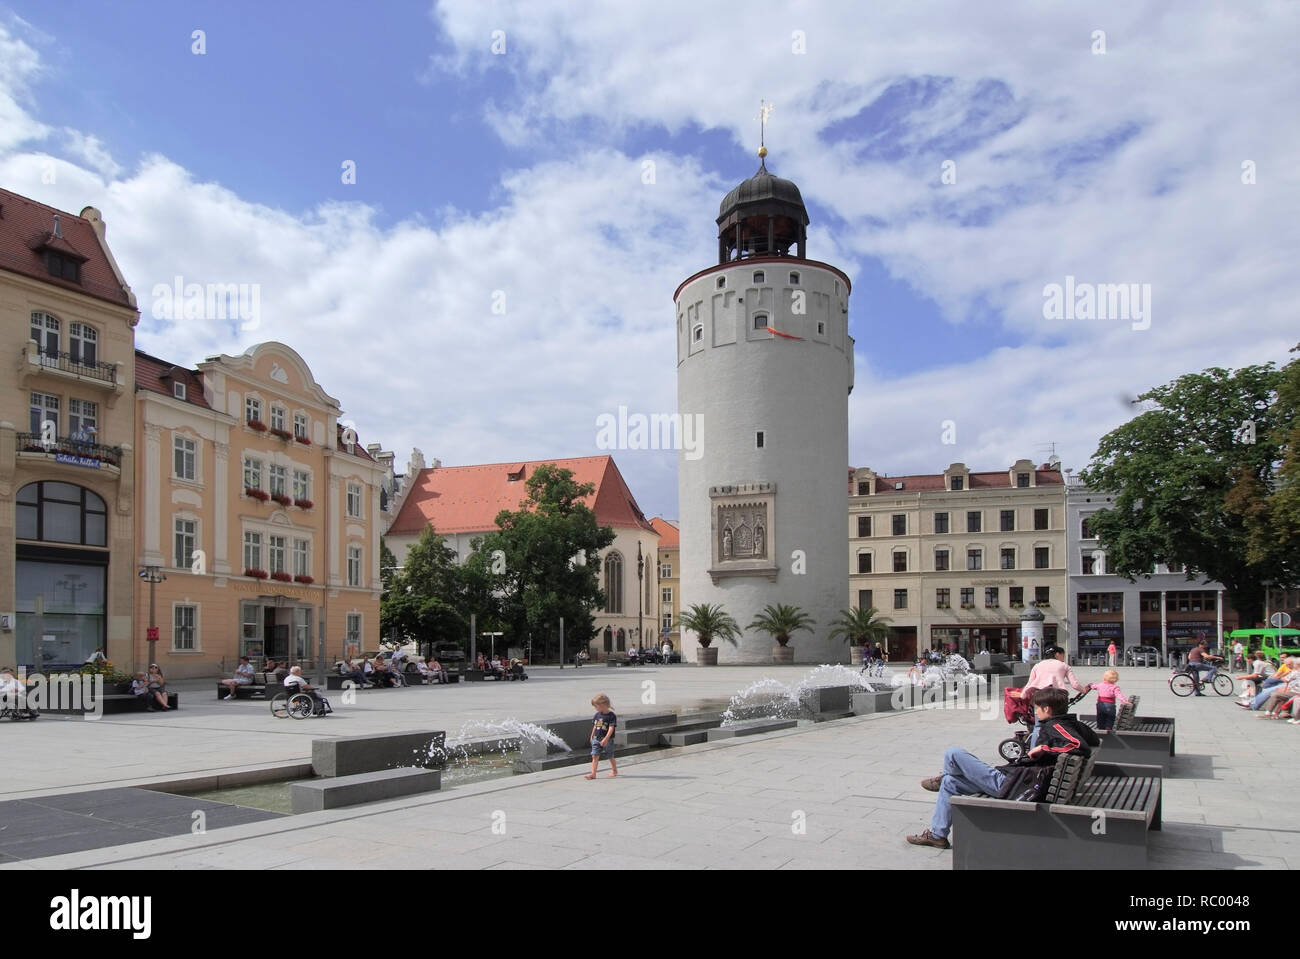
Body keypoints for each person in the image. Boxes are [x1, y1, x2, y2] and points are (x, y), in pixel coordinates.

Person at [906, 688, 1099, 849]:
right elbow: (1093, 740)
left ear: (1047, 709)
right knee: (950, 783)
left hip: (1016, 787)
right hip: (1022, 782)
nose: (1035, 713)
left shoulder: (1054, 726)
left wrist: (1045, 748)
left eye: (1037, 709)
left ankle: (943, 776)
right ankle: (937, 834)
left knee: (953, 753)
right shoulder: (1070, 723)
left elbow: (1078, 746)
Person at [1014, 645, 1087, 747]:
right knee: (1059, 725)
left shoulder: (1037, 666)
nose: (1063, 657)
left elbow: (1029, 684)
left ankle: (1033, 750)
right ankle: (1056, 747)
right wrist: (1084, 690)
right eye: (1062, 655)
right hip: (1058, 698)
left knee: (1038, 726)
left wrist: (1023, 695)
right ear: (1057, 654)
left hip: (1041, 697)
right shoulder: (1064, 665)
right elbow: (1074, 684)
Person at [585, 693, 618, 779]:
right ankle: (593, 774)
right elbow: (595, 726)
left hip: (607, 739)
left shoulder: (611, 716)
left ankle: (614, 770)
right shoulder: (597, 715)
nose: (595, 709)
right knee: (594, 755)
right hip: (596, 738)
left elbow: (611, 728)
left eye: (596, 706)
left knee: (610, 755)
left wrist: (606, 739)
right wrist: (592, 736)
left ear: (603, 705)